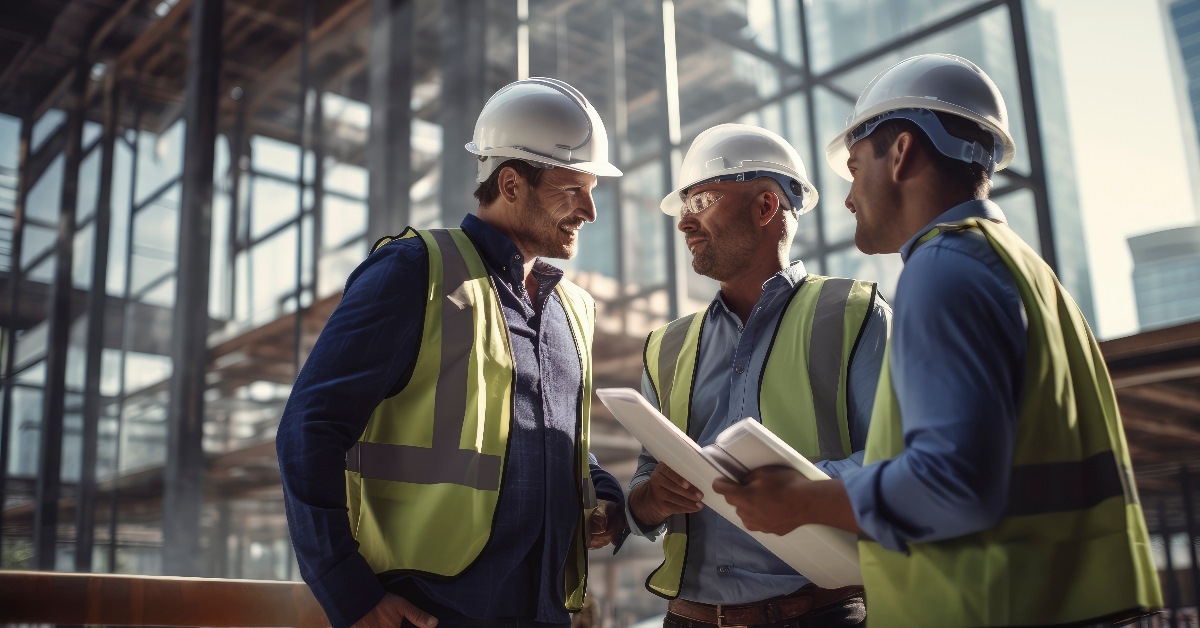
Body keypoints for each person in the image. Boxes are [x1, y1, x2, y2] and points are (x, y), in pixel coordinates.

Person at [712, 54, 1162, 627]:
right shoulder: (1026, 272)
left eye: (854, 168)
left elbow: (951, 483)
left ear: (901, 152)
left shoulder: (942, 266)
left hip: (988, 605)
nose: (848, 198)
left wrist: (799, 499)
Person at [277, 77, 629, 628]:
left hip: (545, 612)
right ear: (510, 183)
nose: (589, 211)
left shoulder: (571, 310)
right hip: (433, 611)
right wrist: (348, 591)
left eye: (592, 190)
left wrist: (603, 493)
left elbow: (553, 439)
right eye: (572, 189)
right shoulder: (415, 271)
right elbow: (309, 428)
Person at [625, 123, 891, 627]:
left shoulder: (853, 315)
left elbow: (897, 464)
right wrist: (652, 498)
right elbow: (642, 486)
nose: (684, 223)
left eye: (700, 202)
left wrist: (798, 491)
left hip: (820, 615)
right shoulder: (667, 347)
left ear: (766, 207)